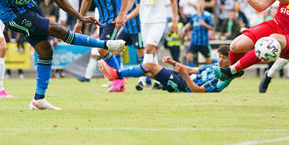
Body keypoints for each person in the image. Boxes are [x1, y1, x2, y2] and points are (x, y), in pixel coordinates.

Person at [73, 0, 129, 93]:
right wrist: (79, 21)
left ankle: (119, 78)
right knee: (105, 49)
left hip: (114, 19)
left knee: (102, 48)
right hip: (102, 21)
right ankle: (118, 79)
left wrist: (121, 15)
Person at [124, 0, 179, 90]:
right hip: (144, 21)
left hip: (159, 21)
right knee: (151, 51)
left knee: (147, 48)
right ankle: (160, 81)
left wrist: (175, 19)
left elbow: (173, 0)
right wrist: (123, 13)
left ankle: (142, 79)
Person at [99, 45, 243, 93]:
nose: (220, 60)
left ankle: (116, 74)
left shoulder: (222, 79)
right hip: (182, 78)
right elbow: (193, 70)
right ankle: (120, 84)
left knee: (150, 66)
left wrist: (183, 74)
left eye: (224, 58)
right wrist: (174, 63)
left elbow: (197, 90)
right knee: (148, 71)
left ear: (231, 60)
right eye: (219, 56)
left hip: (183, 86)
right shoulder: (215, 65)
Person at [115, 0, 144, 78]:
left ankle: (144, 79)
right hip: (126, 28)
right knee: (115, 49)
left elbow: (138, 8)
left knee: (141, 53)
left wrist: (126, 17)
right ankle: (117, 76)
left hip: (138, 28)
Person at [181, 0, 214, 67]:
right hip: (194, 41)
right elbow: (190, 23)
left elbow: (212, 28)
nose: (200, 5)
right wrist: (185, 28)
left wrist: (204, 24)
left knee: (208, 61)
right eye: (199, 3)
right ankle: (191, 74)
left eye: (202, 3)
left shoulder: (207, 15)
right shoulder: (194, 15)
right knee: (189, 57)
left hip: (203, 42)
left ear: (204, 5)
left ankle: (211, 69)